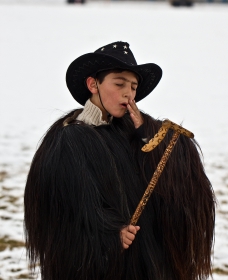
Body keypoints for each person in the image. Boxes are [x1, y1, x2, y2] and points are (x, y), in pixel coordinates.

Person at [24, 41, 216, 280]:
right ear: (93, 84)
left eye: (134, 87)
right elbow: (70, 208)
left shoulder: (132, 129)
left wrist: (147, 134)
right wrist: (110, 234)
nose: (129, 93)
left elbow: (170, 173)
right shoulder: (69, 139)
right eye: (119, 83)